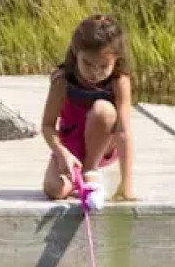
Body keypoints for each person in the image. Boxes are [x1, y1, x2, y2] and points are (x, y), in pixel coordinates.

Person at [40, 14, 137, 202]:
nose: (94, 72)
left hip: (103, 144)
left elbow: (124, 132)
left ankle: (90, 169)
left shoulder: (119, 81)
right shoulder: (62, 81)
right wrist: (63, 154)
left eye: (103, 66)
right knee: (54, 189)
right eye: (88, 64)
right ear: (76, 53)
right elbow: (47, 125)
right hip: (71, 145)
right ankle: (80, 177)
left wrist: (126, 185)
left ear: (116, 59)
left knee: (104, 110)